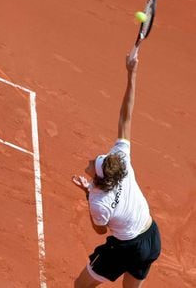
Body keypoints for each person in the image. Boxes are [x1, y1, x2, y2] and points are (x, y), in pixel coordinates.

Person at [72, 54, 161, 287]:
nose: (91, 160)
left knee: (80, 286)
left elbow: (100, 230)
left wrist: (88, 195)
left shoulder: (98, 201)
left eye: (94, 163)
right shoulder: (121, 160)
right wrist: (131, 73)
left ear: (100, 178)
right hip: (151, 236)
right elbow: (126, 116)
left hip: (127, 247)